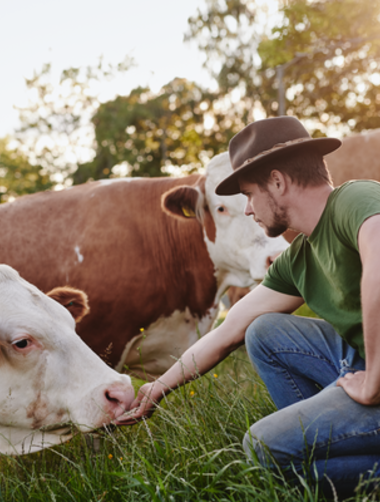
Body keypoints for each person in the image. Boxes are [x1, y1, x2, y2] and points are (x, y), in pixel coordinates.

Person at [124, 116, 380, 495]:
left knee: (262, 446)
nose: (247, 210)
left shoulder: (354, 199)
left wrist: (374, 380)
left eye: (248, 194)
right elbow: (229, 331)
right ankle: (328, 440)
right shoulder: (300, 258)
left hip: (375, 376)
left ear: (277, 181)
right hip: (362, 367)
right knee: (262, 330)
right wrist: (158, 388)